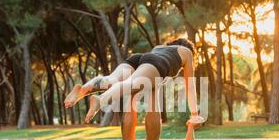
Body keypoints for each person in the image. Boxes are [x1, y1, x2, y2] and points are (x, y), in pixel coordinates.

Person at [64, 38, 204, 125]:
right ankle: (101, 100)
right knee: (131, 84)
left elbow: (152, 70)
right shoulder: (187, 52)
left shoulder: (160, 48)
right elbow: (190, 86)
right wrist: (194, 115)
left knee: (111, 79)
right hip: (156, 62)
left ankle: (82, 90)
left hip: (140, 58)